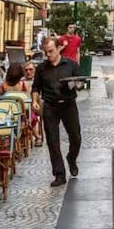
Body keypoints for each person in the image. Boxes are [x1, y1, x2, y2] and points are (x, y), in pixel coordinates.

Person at [32, 37, 83, 187]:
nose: (48, 55)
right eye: (46, 52)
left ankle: (71, 158)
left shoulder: (71, 64)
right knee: (53, 141)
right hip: (50, 106)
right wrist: (35, 100)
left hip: (68, 105)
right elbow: (36, 87)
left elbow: (79, 84)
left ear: (59, 48)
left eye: (51, 51)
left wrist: (77, 84)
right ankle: (59, 174)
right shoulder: (41, 68)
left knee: (76, 137)